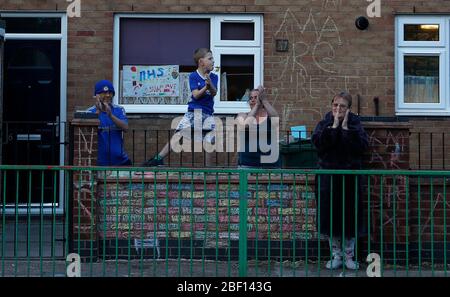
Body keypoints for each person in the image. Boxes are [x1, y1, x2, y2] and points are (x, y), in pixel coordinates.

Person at [312, 91, 368, 270]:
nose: (338, 109)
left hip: (350, 179)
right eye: (335, 105)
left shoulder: (355, 124)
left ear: (349, 108)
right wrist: (334, 127)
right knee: (331, 219)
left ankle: (349, 256)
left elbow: (362, 147)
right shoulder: (325, 123)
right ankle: (336, 255)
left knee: (349, 219)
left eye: (342, 106)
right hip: (329, 180)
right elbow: (319, 145)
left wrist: (345, 131)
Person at [142, 48, 218, 167]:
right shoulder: (193, 76)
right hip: (194, 112)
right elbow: (196, 95)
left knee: (210, 141)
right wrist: (205, 87)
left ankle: (208, 171)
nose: (213, 61)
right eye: (210, 58)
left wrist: (210, 84)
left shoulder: (214, 77)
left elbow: (214, 93)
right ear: (201, 61)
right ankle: (158, 158)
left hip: (208, 113)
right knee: (179, 134)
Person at [87, 79, 132, 166]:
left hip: (120, 161)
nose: (108, 95)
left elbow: (126, 128)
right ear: (96, 95)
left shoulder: (119, 109)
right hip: (99, 162)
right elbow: (88, 133)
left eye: (110, 93)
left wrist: (111, 115)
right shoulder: (90, 112)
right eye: (104, 93)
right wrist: (98, 112)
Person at [236, 85, 281, 168]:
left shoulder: (269, 115)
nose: (253, 100)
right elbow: (245, 125)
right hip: (247, 164)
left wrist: (264, 100)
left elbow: (276, 120)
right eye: (251, 98)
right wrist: (257, 105)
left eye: (256, 97)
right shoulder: (242, 115)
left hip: (270, 164)